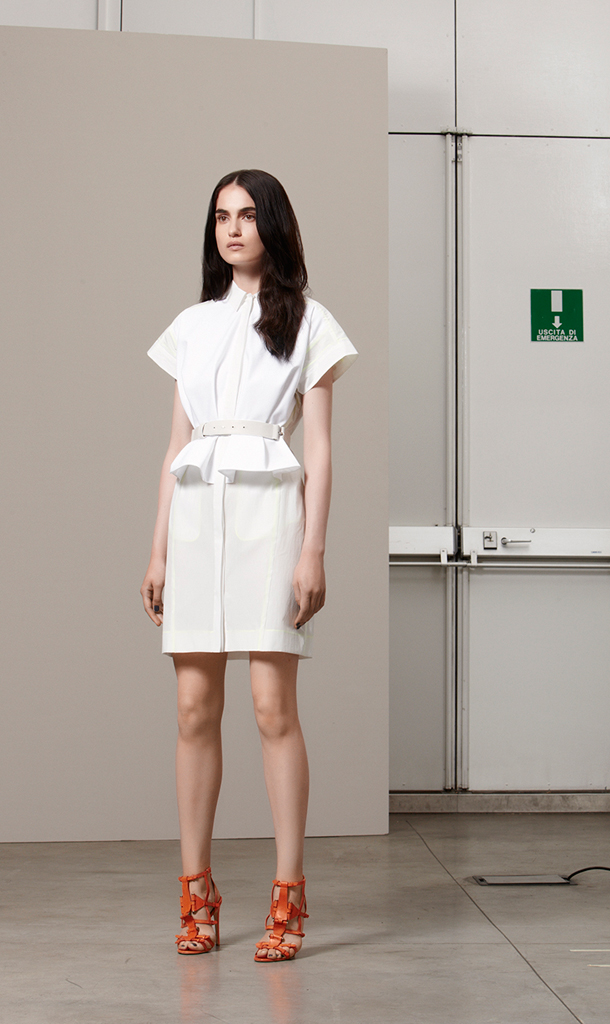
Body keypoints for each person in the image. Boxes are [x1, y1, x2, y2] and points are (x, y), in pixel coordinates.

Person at [140, 169, 357, 961]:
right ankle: (195, 891)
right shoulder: (192, 325)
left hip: (272, 519)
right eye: (220, 216)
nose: (232, 228)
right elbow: (176, 445)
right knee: (192, 709)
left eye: (246, 215)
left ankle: (288, 894)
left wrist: (313, 550)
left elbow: (320, 450)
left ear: (274, 225)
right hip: (197, 518)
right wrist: (158, 548)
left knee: (272, 709)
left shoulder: (310, 322)